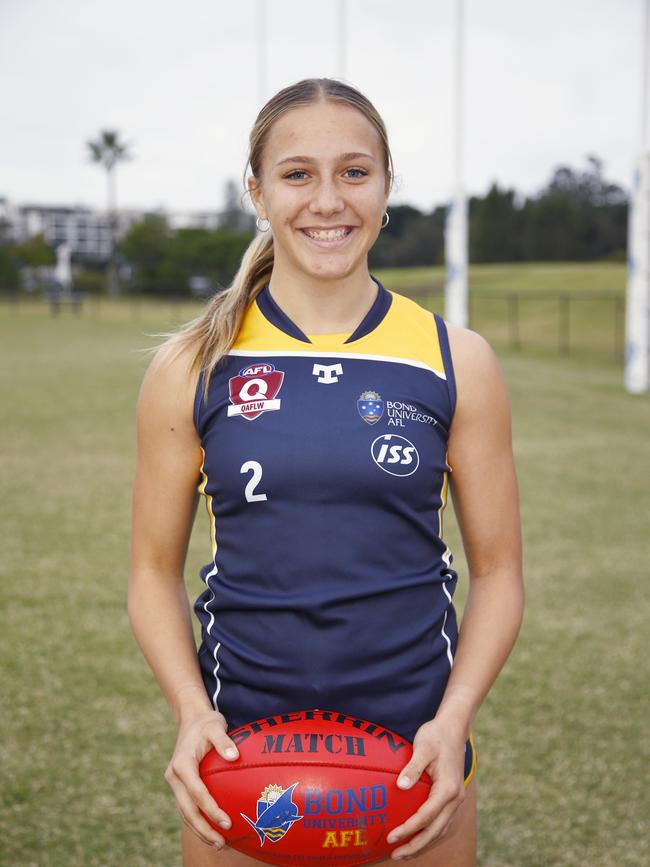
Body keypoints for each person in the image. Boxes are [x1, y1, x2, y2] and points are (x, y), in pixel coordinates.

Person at [128, 77, 524, 867]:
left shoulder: (456, 359)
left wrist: (452, 722)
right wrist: (189, 712)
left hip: (417, 762)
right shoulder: (193, 366)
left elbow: (502, 573)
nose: (328, 200)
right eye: (297, 173)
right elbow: (149, 571)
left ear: (386, 187)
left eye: (353, 171)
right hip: (240, 766)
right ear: (258, 191)